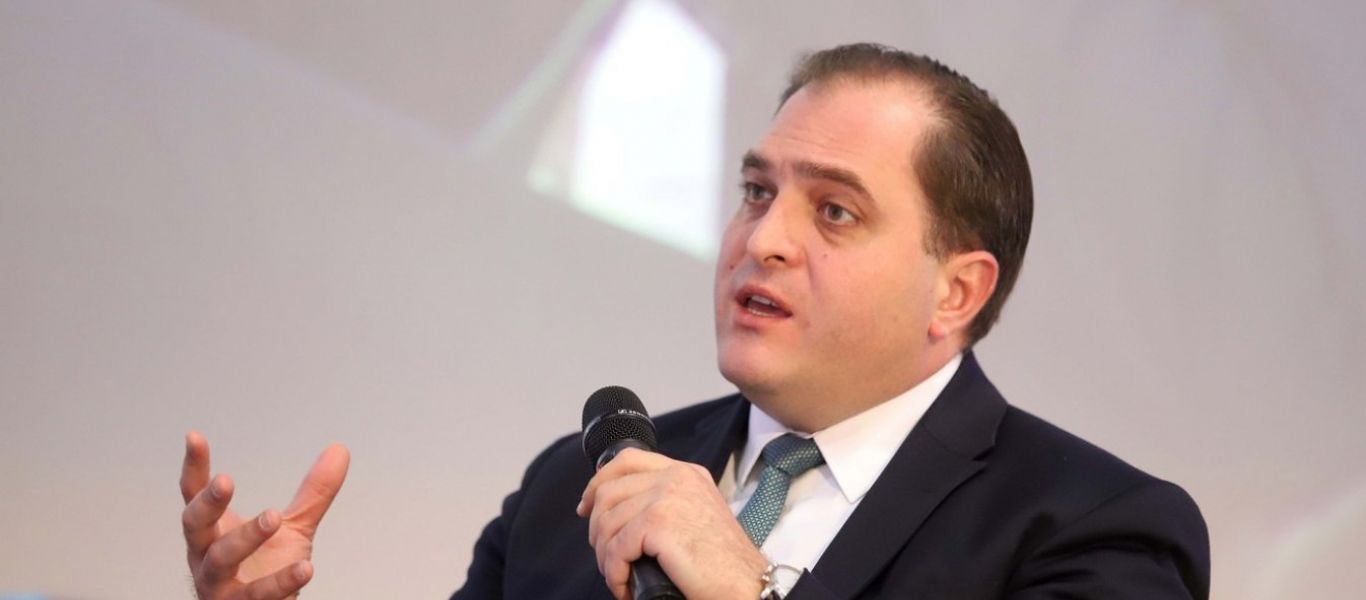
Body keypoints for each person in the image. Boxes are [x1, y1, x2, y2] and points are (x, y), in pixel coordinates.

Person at [180, 43, 1210, 599]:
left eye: (834, 212)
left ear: (957, 292)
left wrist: (740, 593)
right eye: (757, 191)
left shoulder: (1095, 527)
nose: (763, 238)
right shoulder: (571, 488)